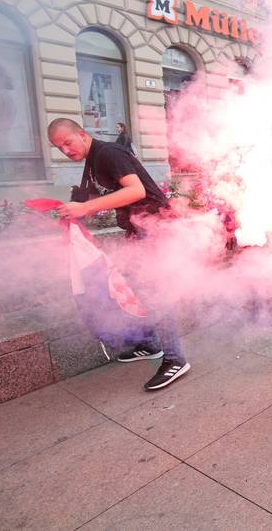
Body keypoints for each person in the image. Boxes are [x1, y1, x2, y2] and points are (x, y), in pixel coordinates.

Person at [47, 118, 191, 390]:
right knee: (136, 286)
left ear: (81, 134)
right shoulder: (92, 163)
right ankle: (149, 343)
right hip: (139, 229)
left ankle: (174, 359)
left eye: (67, 142)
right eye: (58, 148)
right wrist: (68, 211)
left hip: (157, 226)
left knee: (154, 290)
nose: (65, 150)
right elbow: (86, 198)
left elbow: (135, 190)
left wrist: (85, 210)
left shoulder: (108, 153)